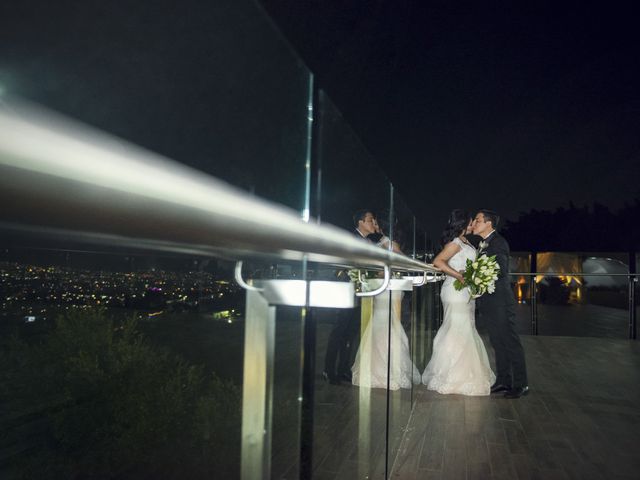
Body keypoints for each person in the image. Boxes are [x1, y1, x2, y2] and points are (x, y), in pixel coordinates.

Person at [422, 209, 496, 395]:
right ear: (463, 224)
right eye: (471, 222)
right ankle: (452, 375)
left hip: (464, 292)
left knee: (465, 327)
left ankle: (463, 372)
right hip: (454, 291)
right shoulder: (456, 242)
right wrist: (459, 276)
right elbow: (438, 261)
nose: (472, 225)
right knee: (457, 328)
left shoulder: (465, 242)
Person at [351, 219, 420, 390]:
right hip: (387, 286)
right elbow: (400, 260)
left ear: (382, 227)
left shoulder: (383, 242)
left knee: (383, 323)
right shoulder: (386, 242)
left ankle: (376, 368)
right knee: (388, 324)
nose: (374, 224)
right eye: (371, 221)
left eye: (376, 222)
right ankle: (387, 370)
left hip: (386, 287)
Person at [472, 209, 529, 398]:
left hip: (500, 302)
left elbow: (501, 270)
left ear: (489, 223)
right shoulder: (483, 244)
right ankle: (504, 380)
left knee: (510, 341)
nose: (475, 223)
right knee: (497, 342)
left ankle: (521, 384)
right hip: (488, 302)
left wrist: (477, 275)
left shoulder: (498, 242)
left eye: (478, 220)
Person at [323, 209, 377, 384]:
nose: (373, 222)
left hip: (360, 290)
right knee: (339, 330)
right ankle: (329, 370)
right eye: (370, 220)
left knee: (351, 332)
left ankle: (344, 369)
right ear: (360, 222)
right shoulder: (350, 238)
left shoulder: (367, 242)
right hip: (345, 288)